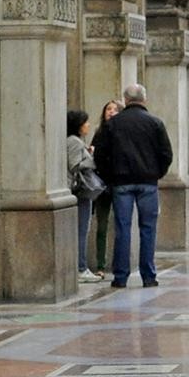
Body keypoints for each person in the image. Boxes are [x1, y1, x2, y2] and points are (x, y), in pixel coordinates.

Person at [92, 83, 173, 288]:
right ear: (144, 99)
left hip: (121, 183)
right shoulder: (155, 123)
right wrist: (156, 173)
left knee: (122, 229)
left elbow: (101, 154)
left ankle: (121, 276)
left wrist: (110, 176)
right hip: (148, 182)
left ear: (125, 100)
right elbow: (166, 154)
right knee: (148, 229)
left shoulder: (112, 124)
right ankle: (148, 275)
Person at [66, 110, 104, 283]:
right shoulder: (74, 141)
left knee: (83, 229)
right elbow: (74, 165)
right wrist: (93, 158)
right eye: (86, 122)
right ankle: (81, 267)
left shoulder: (75, 141)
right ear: (79, 125)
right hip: (81, 191)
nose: (88, 125)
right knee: (82, 230)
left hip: (80, 191)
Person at [91, 100, 123, 277]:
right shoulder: (99, 133)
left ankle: (118, 263)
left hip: (118, 183)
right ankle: (101, 265)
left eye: (115, 109)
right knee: (101, 225)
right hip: (102, 185)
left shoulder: (124, 133)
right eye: (108, 109)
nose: (111, 112)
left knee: (121, 225)